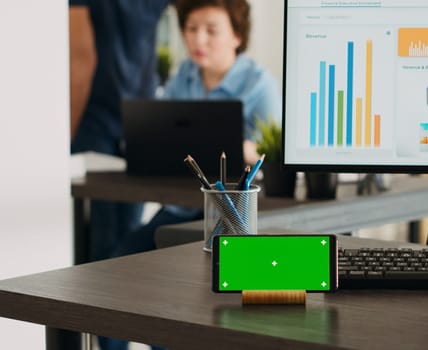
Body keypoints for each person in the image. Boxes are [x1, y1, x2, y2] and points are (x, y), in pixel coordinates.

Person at [113, 0, 281, 255]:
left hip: (234, 216)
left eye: (211, 31)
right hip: (181, 205)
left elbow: (274, 154)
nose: (198, 39)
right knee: (125, 254)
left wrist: (243, 148)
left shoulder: (260, 86)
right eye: (191, 29)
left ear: (237, 35)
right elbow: (157, 132)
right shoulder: (183, 74)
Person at [69, 1, 173, 349]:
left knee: (105, 259)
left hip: (101, 123)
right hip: (137, 121)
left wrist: (62, 137)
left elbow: (81, 59)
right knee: (121, 257)